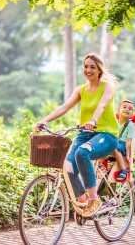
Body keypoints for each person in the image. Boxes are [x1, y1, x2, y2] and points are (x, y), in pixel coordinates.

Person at [35, 53, 119, 218]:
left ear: (100, 70)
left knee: (83, 152)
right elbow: (64, 107)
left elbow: (102, 105)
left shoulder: (107, 86)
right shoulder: (81, 90)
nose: (88, 70)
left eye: (92, 67)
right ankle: (84, 202)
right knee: (67, 167)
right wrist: (44, 120)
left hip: (107, 134)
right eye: (85, 66)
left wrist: (93, 119)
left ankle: (94, 199)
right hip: (85, 134)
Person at [112, 100, 135, 181]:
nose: (127, 109)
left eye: (130, 109)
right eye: (124, 107)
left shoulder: (130, 125)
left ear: (132, 113)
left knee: (114, 147)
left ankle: (123, 170)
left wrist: (128, 156)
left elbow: (128, 142)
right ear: (118, 110)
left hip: (123, 144)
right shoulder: (114, 122)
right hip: (114, 141)